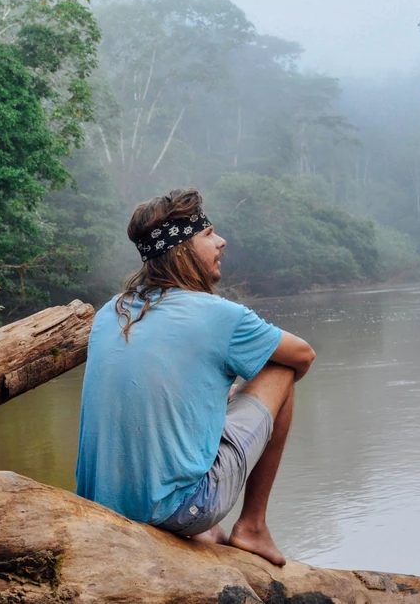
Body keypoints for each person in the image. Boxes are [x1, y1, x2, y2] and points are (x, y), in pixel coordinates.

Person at [75, 188, 316, 566]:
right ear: (183, 248)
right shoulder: (216, 314)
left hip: (102, 505)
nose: (221, 242)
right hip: (176, 511)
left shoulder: (110, 311)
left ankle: (203, 528)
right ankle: (251, 526)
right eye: (208, 234)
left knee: (215, 389)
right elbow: (304, 355)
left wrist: (215, 394)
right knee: (280, 367)